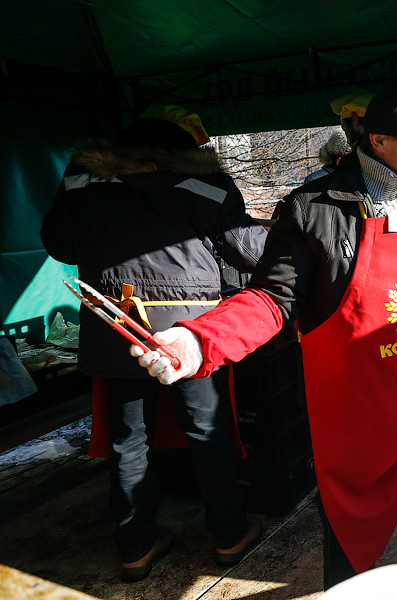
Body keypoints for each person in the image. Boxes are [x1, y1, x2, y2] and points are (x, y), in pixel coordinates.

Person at [129, 81, 397, 588]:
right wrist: (199, 341)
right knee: (348, 550)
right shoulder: (312, 207)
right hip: (353, 416)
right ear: (378, 141)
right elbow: (272, 299)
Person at [40, 105, 269, 581]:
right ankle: (230, 534)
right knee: (207, 436)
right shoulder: (206, 182)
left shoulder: (84, 179)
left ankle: (135, 548)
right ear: (184, 147)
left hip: (114, 326)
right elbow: (248, 252)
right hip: (187, 334)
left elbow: (59, 243)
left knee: (128, 442)